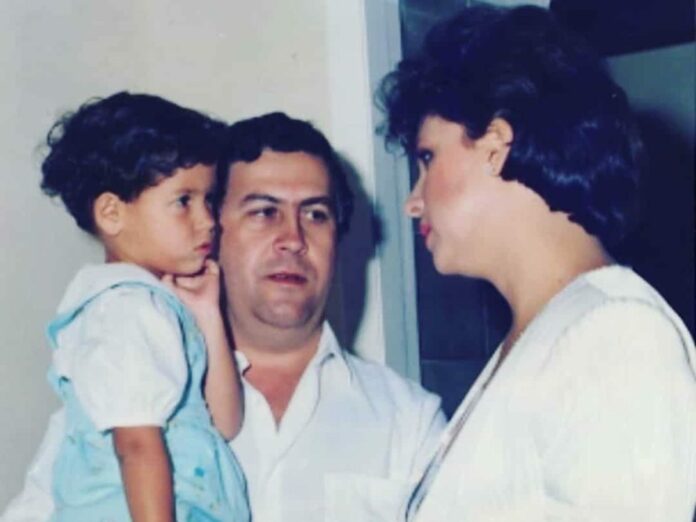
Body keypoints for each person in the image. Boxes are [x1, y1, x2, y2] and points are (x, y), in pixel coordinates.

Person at [2, 111, 446, 522]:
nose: (292, 239)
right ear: (212, 231)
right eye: (264, 212)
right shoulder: (124, 379)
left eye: (315, 213)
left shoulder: (409, 421)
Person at [378, 5, 696, 521]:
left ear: (496, 146)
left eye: (428, 159)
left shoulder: (617, 334)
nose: (413, 201)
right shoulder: (548, 332)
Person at [29, 92, 251, 520]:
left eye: (208, 200)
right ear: (112, 213)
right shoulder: (126, 308)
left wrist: (208, 315)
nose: (208, 220)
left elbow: (224, 423)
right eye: (183, 201)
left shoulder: (154, 305)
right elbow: (136, 447)